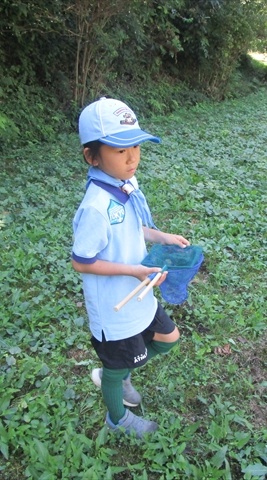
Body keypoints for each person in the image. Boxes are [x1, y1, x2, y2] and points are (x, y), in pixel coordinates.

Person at [71, 97, 190, 438]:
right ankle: (117, 417)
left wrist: (161, 236)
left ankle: (118, 375)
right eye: (120, 150)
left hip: (139, 293)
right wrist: (133, 271)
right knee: (116, 363)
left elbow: (132, 228)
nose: (133, 157)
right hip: (114, 305)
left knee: (169, 338)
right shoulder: (96, 206)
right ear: (92, 156)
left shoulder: (125, 185)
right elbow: (81, 261)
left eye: (136, 146)